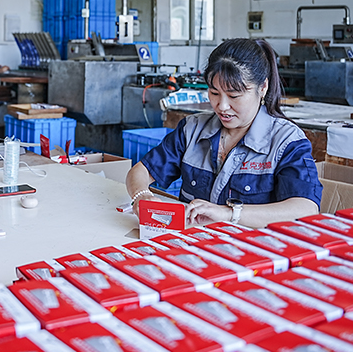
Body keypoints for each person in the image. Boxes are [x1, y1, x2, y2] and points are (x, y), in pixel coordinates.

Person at [126, 38, 321, 228]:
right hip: (192, 244)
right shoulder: (192, 130)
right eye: (214, 93)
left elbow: (305, 209)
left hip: (251, 247)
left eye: (234, 95)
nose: (222, 106)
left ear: (263, 87)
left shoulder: (286, 142)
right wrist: (142, 195)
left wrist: (229, 214)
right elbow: (140, 171)